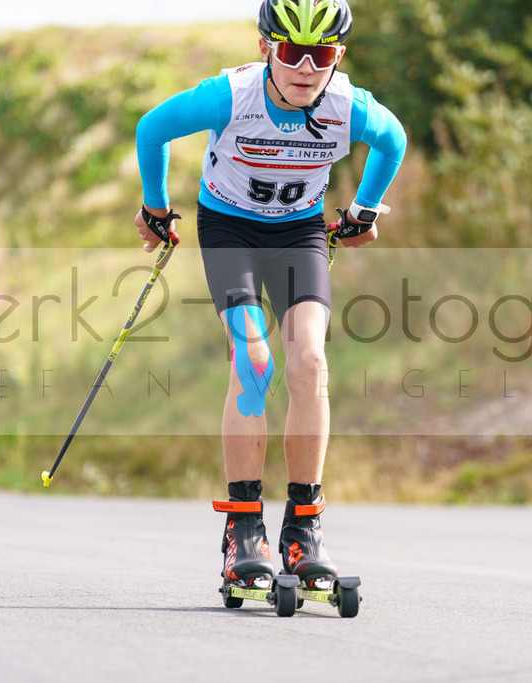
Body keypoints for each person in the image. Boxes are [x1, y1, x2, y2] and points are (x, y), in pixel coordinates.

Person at [133, 0, 406, 593]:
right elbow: (151, 128)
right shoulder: (230, 96)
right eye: (290, 52)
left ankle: (303, 528)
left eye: (323, 55)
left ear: (339, 57)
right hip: (228, 228)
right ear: (265, 48)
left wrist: (362, 210)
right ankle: (243, 528)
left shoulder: (346, 107)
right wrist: (156, 207)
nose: (306, 68)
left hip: (299, 233)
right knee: (254, 362)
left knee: (309, 362)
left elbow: (394, 140)